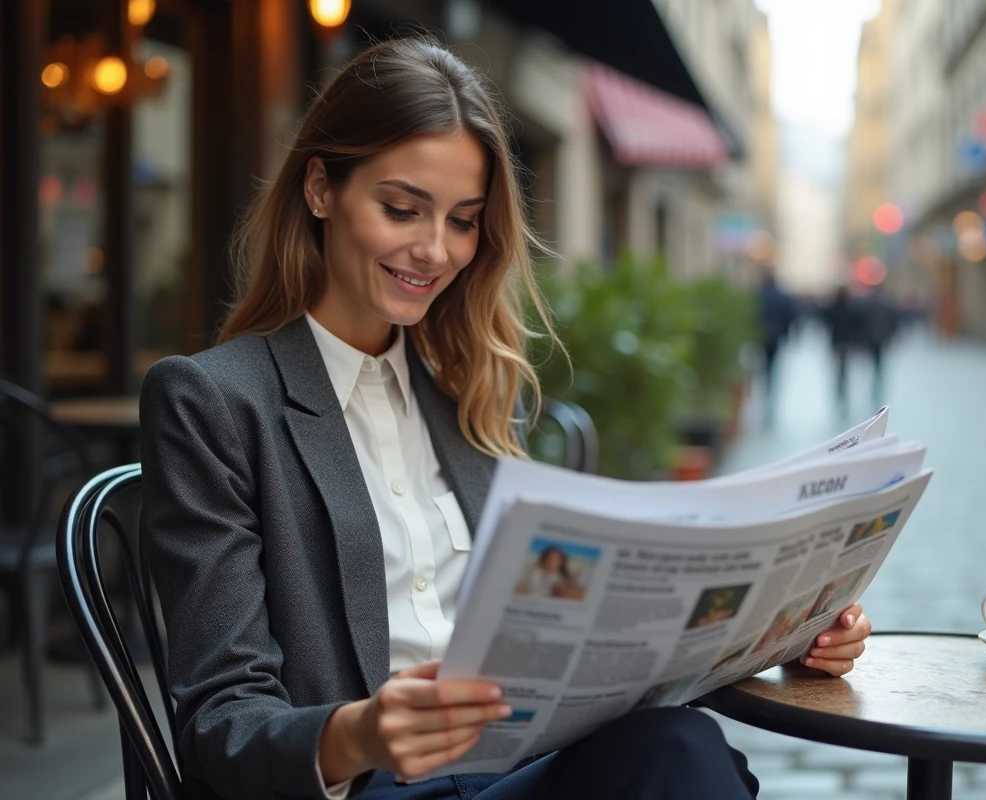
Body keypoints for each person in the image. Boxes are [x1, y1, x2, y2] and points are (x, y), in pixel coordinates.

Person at [139, 38, 873, 800]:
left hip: (514, 763)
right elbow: (219, 726)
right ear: (320, 189)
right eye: (401, 209)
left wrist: (777, 632)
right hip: (373, 785)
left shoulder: (469, 390)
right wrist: (358, 730)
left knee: (676, 742)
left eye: (463, 220)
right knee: (679, 759)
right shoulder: (215, 403)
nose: (435, 250)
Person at [756, 268, 797, 410]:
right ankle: (770, 383)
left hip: (761, 334)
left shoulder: (758, 295)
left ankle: (766, 384)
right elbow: (789, 316)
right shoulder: (782, 296)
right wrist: (786, 334)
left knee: (763, 360)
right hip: (776, 334)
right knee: (772, 361)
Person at [821, 284, 860, 415]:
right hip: (846, 341)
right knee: (844, 365)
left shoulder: (832, 308)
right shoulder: (851, 308)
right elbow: (856, 325)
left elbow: (825, 320)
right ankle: (842, 383)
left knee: (839, 365)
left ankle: (839, 385)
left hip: (836, 340)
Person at [515, 546, 583, 600]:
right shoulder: (534, 572)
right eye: (549, 558)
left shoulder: (562, 577)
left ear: (561, 562)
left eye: (556, 560)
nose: (551, 562)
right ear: (544, 559)